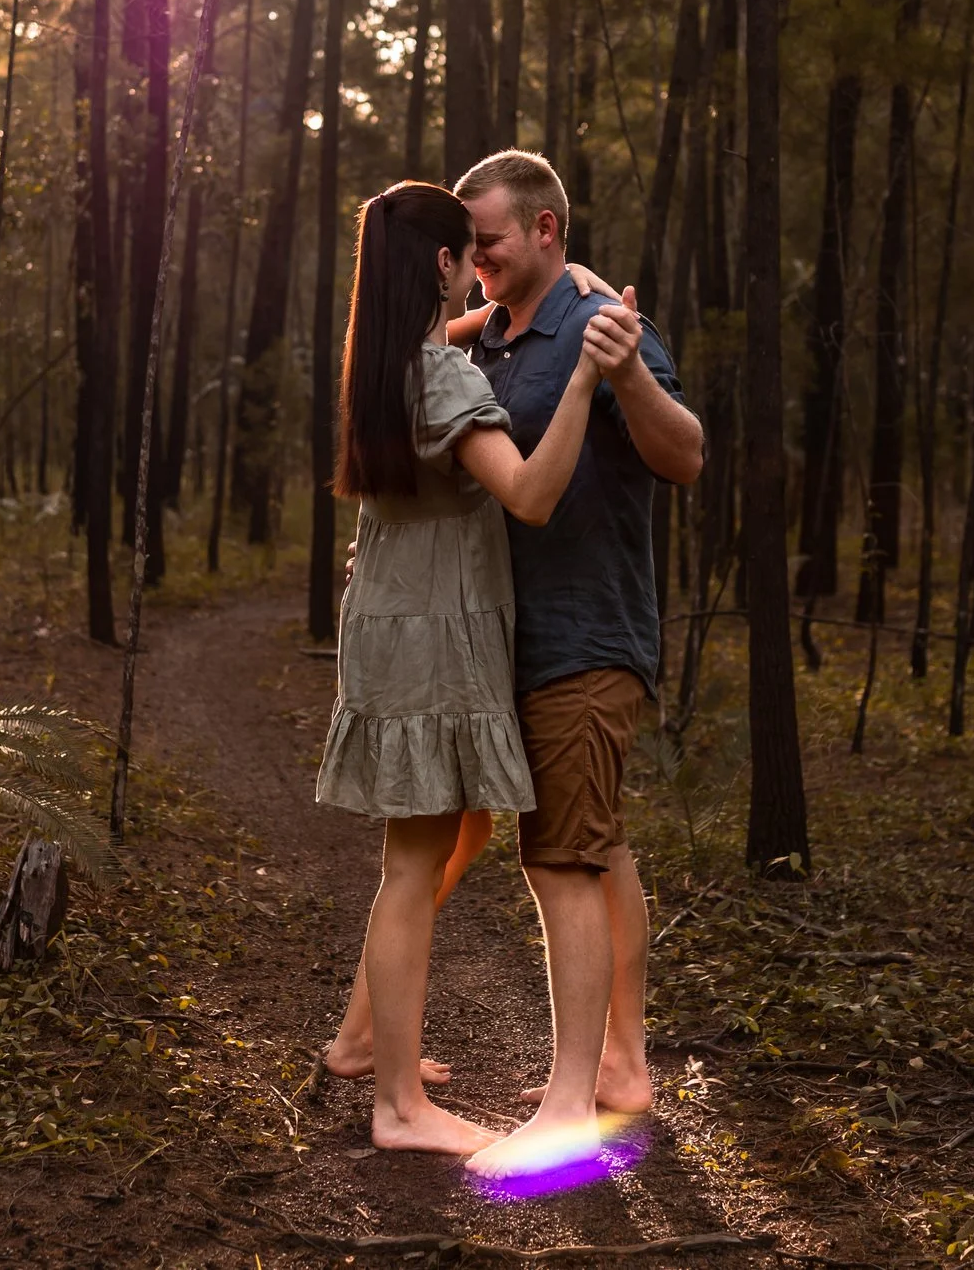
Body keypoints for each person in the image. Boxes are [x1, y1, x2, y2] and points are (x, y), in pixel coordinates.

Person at [313, 180, 609, 1155]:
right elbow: (524, 492)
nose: (479, 266)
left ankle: (368, 1046)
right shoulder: (444, 381)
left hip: (391, 626)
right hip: (432, 638)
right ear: (440, 264)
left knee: (450, 834)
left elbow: (457, 329)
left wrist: (526, 304)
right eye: (467, 254)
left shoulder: (390, 363)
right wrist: (578, 381)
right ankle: (399, 1104)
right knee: (410, 864)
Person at [447, 151, 703, 1178]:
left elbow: (683, 453)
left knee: (558, 857)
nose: (476, 262)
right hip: (514, 639)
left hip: (587, 637)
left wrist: (628, 365)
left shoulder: (604, 327)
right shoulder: (495, 334)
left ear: (546, 228)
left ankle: (568, 1106)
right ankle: (622, 1065)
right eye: (466, 247)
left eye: (491, 242)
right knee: (597, 845)